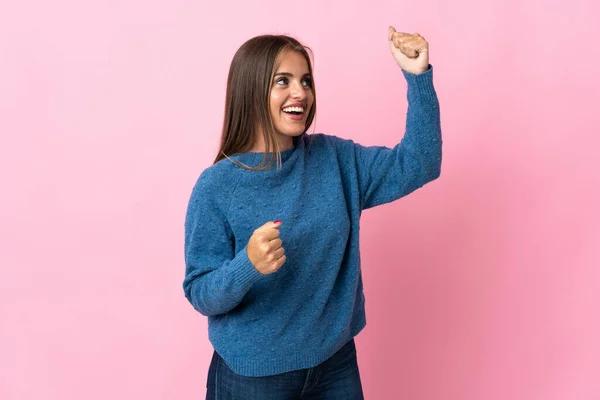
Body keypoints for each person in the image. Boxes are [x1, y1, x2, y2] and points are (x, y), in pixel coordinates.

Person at [183, 26, 442, 399]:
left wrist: (418, 78)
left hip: (335, 365)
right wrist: (247, 266)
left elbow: (420, 163)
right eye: (282, 81)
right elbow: (200, 292)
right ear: (251, 91)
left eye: (305, 81)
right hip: (254, 378)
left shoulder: (335, 160)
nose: (300, 93)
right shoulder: (216, 187)